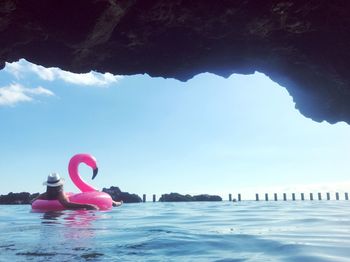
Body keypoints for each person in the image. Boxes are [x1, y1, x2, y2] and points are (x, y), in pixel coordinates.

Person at [31, 173, 99, 210]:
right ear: (59, 184)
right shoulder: (59, 193)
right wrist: (88, 206)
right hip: (58, 214)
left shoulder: (46, 194)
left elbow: (35, 200)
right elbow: (67, 204)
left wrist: (33, 200)